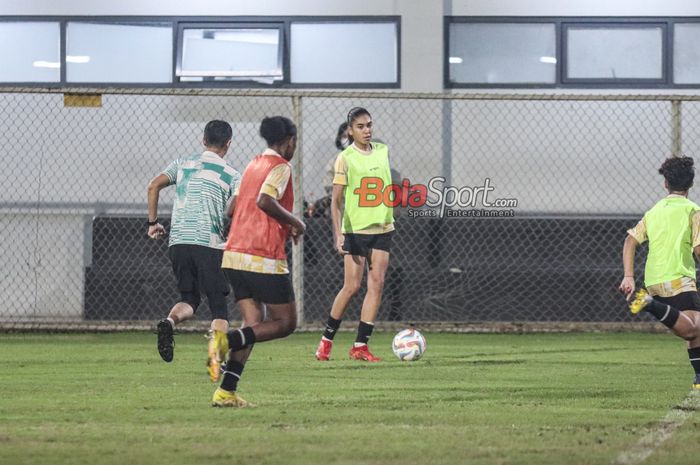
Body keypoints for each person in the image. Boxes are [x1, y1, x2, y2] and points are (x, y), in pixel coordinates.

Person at [209, 116, 305, 407]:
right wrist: (295, 222)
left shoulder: (252, 165)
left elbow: (231, 209)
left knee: (254, 324)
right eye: (295, 142)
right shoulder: (280, 166)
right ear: (289, 140)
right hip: (261, 255)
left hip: (234, 253)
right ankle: (225, 341)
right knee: (285, 323)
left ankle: (226, 392)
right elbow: (265, 200)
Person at [147, 120, 240, 383]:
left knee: (190, 297)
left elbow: (153, 186)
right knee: (219, 307)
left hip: (178, 242)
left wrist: (153, 224)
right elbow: (238, 208)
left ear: (203, 140)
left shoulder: (183, 163)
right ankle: (216, 360)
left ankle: (170, 321)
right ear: (228, 144)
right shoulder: (232, 174)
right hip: (208, 243)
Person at [315, 107, 394, 362]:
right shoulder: (345, 158)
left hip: (382, 227)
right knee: (352, 286)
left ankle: (360, 345)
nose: (367, 130)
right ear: (350, 130)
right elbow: (336, 201)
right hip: (355, 230)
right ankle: (326, 341)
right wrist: (338, 234)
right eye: (361, 126)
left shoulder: (382, 151)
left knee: (377, 283)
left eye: (369, 125)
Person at [620, 156, 700, 389]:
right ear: (691, 183)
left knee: (695, 327)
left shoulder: (653, 211)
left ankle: (699, 379)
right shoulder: (693, 211)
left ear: (665, 183)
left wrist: (628, 276)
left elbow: (629, 241)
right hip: (679, 280)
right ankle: (648, 303)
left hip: (654, 280)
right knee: (692, 330)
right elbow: (698, 249)